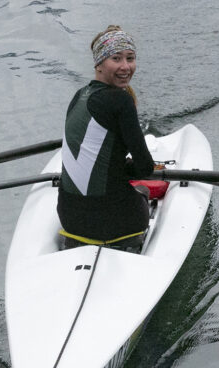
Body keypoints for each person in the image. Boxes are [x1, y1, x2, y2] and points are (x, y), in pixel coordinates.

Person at [57, 25, 154, 244]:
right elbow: (145, 167)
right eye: (116, 59)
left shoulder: (78, 97)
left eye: (130, 58)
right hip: (118, 221)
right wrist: (126, 168)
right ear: (99, 64)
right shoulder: (121, 99)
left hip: (70, 219)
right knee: (141, 191)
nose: (126, 67)